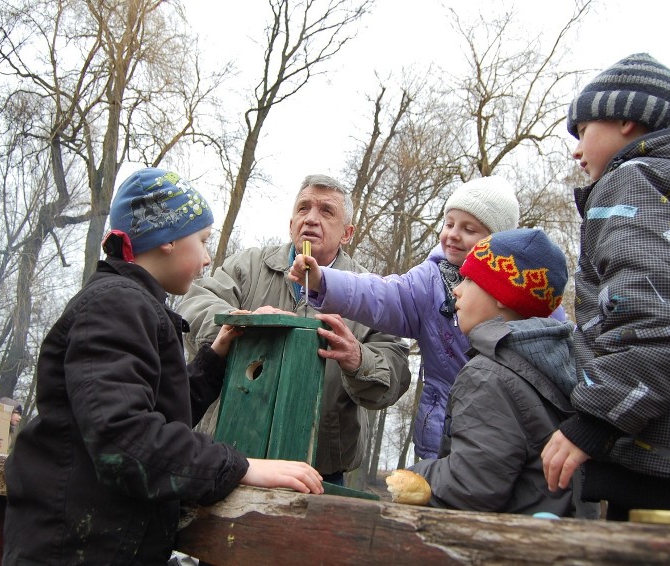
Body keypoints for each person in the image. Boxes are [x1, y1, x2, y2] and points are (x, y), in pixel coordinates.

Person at [3, 168, 323, 565]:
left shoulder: (135, 305)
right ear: (167, 239)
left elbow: (155, 413)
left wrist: (214, 359)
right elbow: (127, 440)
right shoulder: (114, 306)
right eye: (203, 241)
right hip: (75, 548)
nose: (207, 258)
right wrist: (240, 466)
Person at [541, 53, 670, 519]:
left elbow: (658, 318)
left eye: (582, 130)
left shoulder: (637, 179)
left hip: (668, 469)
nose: (576, 150)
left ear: (627, 119)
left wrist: (594, 420)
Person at [178, 173, 412, 485]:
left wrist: (358, 359)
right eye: (303, 209)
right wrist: (240, 323)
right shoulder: (248, 266)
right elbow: (193, 305)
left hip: (320, 468)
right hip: (228, 452)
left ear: (347, 233)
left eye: (326, 211)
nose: (311, 219)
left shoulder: (370, 293)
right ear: (291, 224)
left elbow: (394, 372)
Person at [289, 176, 529, 460]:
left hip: (509, 428)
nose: (453, 234)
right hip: (442, 430)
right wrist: (324, 282)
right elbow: (382, 295)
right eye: (449, 224)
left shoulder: (524, 290)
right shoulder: (429, 282)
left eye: (468, 229)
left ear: (496, 241)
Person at [403, 228, 587, 516]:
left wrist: (415, 477)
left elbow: (471, 487)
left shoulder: (488, 375)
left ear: (502, 294)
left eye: (469, 279)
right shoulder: (561, 362)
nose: (456, 290)